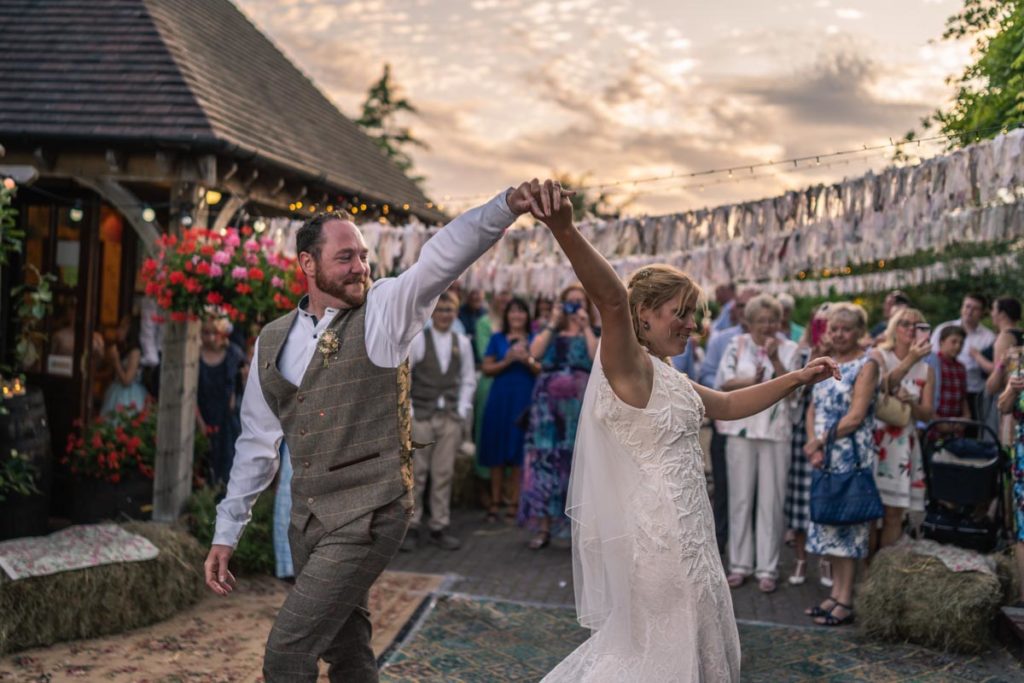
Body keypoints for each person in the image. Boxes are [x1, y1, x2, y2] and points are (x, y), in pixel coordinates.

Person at [203, 180, 562, 682]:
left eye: (364, 256)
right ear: (308, 265)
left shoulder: (385, 310)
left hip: (371, 512)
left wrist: (506, 206)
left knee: (287, 651)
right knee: (348, 653)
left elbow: (442, 257)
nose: (361, 267)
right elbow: (257, 444)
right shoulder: (271, 340)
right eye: (346, 257)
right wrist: (227, 531)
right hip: (308, 521)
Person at [528, 179, 838, 681]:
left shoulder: (668, 375)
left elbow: (732, 403)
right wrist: (565, 228)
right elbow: (609, 299)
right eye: (681, 313)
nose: (692, 324)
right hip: (658, 540)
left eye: (693, 314)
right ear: (644, 317)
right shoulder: (628, 366)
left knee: (698, 631)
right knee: (663, 648)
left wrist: (797, 378)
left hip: (692, 531)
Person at [716, 294, 801, 593]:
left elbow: (794, 392)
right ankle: (739, 564)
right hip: (741, 428)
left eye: (772, 320)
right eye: (761, 320)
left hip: (776, 431)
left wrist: (776, 358)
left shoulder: (791, 349)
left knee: (772, 500)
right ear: (748, 322)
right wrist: (755, 381)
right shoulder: (735, 345)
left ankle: (768, 567)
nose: (767, 326)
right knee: (740, 498)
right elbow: (724, 382)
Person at [803, 303, 880, 628]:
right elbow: (812, 407)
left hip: (850, 453)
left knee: (848, 527)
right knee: (828, 525)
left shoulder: (867, 365)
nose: (838, 334)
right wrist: (812, 445)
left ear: (858, 332)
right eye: (834, 328)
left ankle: (846, 599)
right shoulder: (823, 363)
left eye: (845, 329)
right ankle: (835, 593)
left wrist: (821, 441)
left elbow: (856, 415)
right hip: (822, 454)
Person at [520, 283, 598, 550]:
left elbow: (595, 357)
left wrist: (586, 326)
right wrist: (554, 322)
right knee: (544, 465)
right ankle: (543, 528)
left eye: (580, 301)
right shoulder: (549, 330)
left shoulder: (596, 331)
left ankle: (578, 531)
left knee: (578, 468)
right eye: (570, 302)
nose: (575, 306)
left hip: (579, 412)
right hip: (547, 413)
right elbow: (535, 353)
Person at [404, 292, 477, 551]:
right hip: (422, 415)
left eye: (450, 310)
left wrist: (461, 408)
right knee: (417, 475)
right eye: (441, 309)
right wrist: (409, 411)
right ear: (432, 313)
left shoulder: (462, 343)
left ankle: (439, 525)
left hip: (449, 417)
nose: (445, 314)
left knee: (443, 473)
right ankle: (411, 526)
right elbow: (405, 377)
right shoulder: (419, 340)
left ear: (456, 313)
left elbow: (468, 378)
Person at [699, 286, 759, 554]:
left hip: (760, 425)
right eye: (741, 305)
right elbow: (708, 375)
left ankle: (751, 545)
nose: (744, 311)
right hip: (726, 421)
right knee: (723, 486)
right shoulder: (721, 339)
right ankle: (721, 541)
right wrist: (727, 393)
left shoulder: (775, 341)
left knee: (757, 489)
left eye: (750, 305)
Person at [870, 308, 934, 550]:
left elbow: (927, 415)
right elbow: (877, 386)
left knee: (894, 514)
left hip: (904, 445)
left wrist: (911, 402)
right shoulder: (879, 356)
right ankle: (866, 575)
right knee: (870, 515)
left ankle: (883, 573)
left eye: (918, 326)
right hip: (877, 440)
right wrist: (910, 360)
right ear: (894, 329)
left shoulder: (927, 370)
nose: (910, 329)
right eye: (905, 324)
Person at [479, 297, 539, 522]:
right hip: (500, 398)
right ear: (507, 316)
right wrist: (508, 359)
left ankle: (515, 502)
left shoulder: (535, 339)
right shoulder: (497, 339)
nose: (516, 316)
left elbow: (541, 370)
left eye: (521, 311)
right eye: (513, 312)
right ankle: (495, 502)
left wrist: (527, 359)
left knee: (518, 449)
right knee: (497, 448)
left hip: (524, 398)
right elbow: (486, 368)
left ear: (527, 316)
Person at [197, 317, 246, 486]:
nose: (210, 338)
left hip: (227, 418)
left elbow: (243, 384)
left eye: (214, 333)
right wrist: (199, 421)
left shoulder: (234, 354)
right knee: (204, 460)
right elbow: (191, 393)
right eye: (206, 333)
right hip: (203, 413)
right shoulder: (195, 356)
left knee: (228, 461)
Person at [931, 294, 996, 419]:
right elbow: (931, 359)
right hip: (940, 390)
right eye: (967, 306)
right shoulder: (943, 329)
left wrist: (977, 356)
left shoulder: (988, 337)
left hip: (974, 392)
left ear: (982, 312)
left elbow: (992, 369)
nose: (969, 311)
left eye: (975, 308)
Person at [997, 370, 1024, 608]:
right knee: (1023, 528)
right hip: (1023, 462)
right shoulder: (1021, 374)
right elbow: (1003, 407)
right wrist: (1012, 390)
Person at [100, 313, 149, 414]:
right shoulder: (123, 348)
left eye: (123, 328)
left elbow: (127, 380)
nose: (118, 331)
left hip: (130, 395)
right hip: (116, 390)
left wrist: (116, 360)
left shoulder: (135, 351)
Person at [931, 326, 972, 421]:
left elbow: (963, 397)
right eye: (953, 342)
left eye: (961, 343)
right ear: (942, 342)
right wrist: (937, 421)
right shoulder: (933, 363)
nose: (958, 346)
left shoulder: (961, 367)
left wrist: (966, 417)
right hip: (935, 423)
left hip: (956, 422)